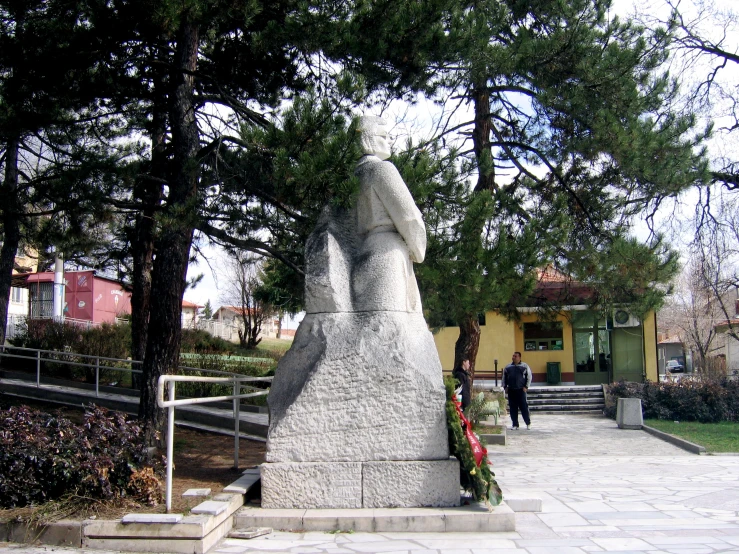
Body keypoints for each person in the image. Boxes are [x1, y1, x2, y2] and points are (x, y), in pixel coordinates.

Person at [353, 115, 426, 313]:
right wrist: (418, 250)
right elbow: (408, 216)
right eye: (384, 136)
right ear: (367, 138)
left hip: (361, 255)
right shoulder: (382, 169)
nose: (389, 141)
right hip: (388, 253)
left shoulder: (351, 177)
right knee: (393, 328)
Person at [503, 351, 532, 430]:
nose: (513, 357)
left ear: (519, 357)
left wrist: (526, 387)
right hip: (511, 390)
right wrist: (505, 387)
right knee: (513, 408)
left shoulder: (525, 366)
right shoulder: (508, 367)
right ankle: (515, 424)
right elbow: (504, 378)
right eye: (513, 356)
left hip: (521, 390)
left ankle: (528, 423)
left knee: (524, 407)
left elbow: (529, 377)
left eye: (515, 356)